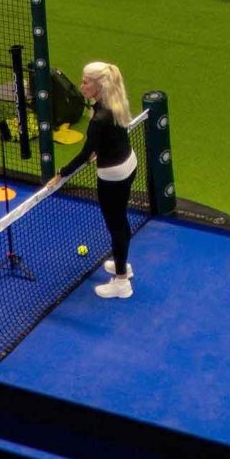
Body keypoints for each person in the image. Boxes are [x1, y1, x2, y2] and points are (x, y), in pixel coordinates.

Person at [80, 61, 140, 299]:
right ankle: (121, 263)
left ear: (98, 85)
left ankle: (121, 283)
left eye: (85, 82)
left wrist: (61, 174)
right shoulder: (115, 103)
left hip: (112, 177)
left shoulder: (99, 118)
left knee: (116, 226)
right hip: (128, 165)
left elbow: (85, 154)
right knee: (121, 221)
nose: (81, 86)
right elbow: (112, 137)